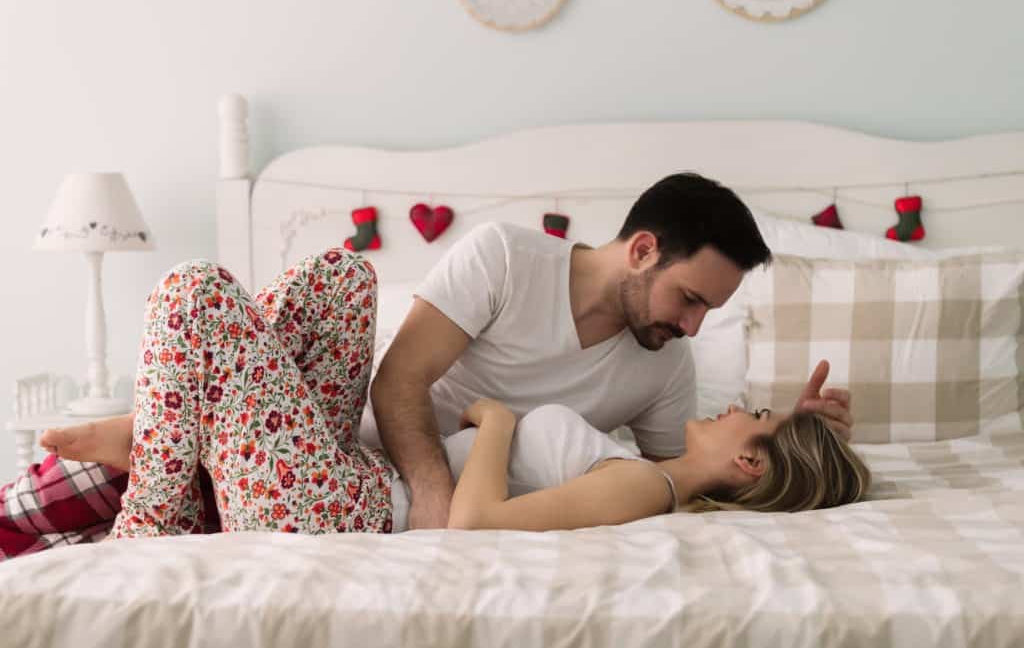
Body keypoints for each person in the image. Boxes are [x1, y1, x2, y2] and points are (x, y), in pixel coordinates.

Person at [36, 248, 869, 536]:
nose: (737, 406)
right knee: (341, 278)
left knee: (195, 292)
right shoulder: (638, 467)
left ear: (749, 465)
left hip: (342, 509)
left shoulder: (645, 487)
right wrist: (796, 427)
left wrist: (499, 422)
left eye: (754, 417)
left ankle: (152, 510)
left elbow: (473, 525)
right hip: (345, 468)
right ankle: (181, 430)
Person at [369, 172, 854, 529]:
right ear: (642, 251)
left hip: (443, 500)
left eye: (708, 309)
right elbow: (397, 379)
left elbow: (676, 479)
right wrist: (432, 497)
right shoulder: (504, 259)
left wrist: (799, 443)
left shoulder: (667, 363)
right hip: (368, 454)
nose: (693, 328)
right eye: (689, 299)